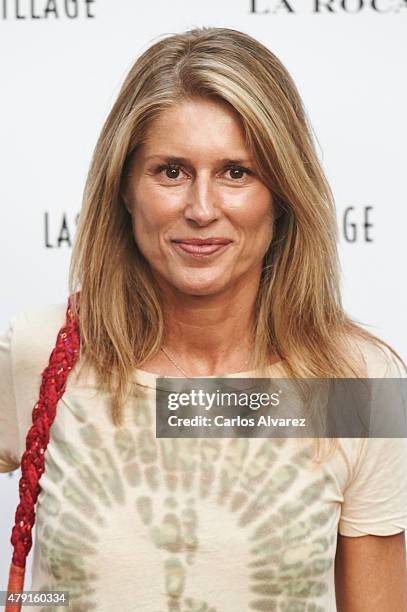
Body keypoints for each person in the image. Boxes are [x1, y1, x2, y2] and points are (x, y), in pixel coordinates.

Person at [1, 26, 407, 612]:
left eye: (236, 172)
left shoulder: (355, 386)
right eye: (171, 171)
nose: (201, 208)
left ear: (284, 193)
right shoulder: (43, 352)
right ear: (124, 188)